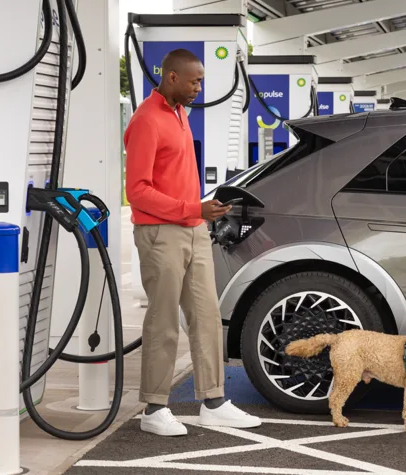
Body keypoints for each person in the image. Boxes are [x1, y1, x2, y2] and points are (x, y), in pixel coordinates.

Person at [124, 48, 261, 436]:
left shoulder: (181, 114)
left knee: (205, 316)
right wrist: (191, 207)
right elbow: (137, 191)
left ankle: (214, 401)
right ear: (171, 77)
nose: (199, 87)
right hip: (160, 233)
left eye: (201, 80)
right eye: (194, 80)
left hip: (193, 228)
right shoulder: (147, 121)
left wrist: (202, 211)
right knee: (164, 321)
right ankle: (153, 409)